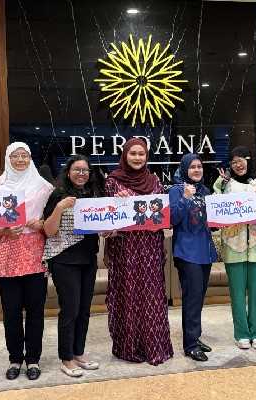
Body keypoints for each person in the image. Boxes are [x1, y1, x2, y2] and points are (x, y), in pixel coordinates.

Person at [104, 138, 173, 365]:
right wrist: (117, 203)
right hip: (125, 248)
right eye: (133, 153)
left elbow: (163, 215)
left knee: (152, 297)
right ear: (125, 155)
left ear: (147, 156)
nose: (137, 158)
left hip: (151, 247)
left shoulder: (155, 181)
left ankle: (154, 345)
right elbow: (108, 220)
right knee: (128, 294)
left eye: (141, 154)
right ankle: (129, 346)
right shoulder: (113, 182)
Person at [0, 142, 53, 381]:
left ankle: (33, 359)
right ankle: (15, 358)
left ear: (30, 158)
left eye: (24, 156)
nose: (20, 160)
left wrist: (42, 223)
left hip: (35, 252)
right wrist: (3, 231)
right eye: (15, 156)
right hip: (7, 253)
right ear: (7, 158)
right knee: (11, 312)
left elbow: (55, 216)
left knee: (36, 311)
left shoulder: (44, 186)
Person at [43, 155, 103, 377]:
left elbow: (101, 224)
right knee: (70, 309)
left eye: (85, 170)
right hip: (63, 259)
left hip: (88, 258)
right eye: (77, 170)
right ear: (68, 172)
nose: (81, 174)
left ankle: (78, 352)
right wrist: (59, 208)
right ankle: (66, 358)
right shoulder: (58, 194)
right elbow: (48, 231)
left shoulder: (93, 195)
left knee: (84, 310)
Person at [213, 146, 256, 349]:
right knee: (237, 293)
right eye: (234, 161)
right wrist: (221, 185)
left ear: (249, 160)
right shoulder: (223, 184)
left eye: (242, 159)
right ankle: (241, 333)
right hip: (233, 245)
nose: (239, 164)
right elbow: (216, 211)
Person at [170, 153, 218, 362]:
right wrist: (185, 198)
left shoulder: (205, 191)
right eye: (192, 167)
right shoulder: (176, 190)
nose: (197, 170)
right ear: (184, 169)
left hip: (205, 251)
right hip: (187, 252)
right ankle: (190, 345)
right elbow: (171, 218)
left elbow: (212, 221)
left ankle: (195, 337)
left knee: (198, 298)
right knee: (191, 299)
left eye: (199, 166)